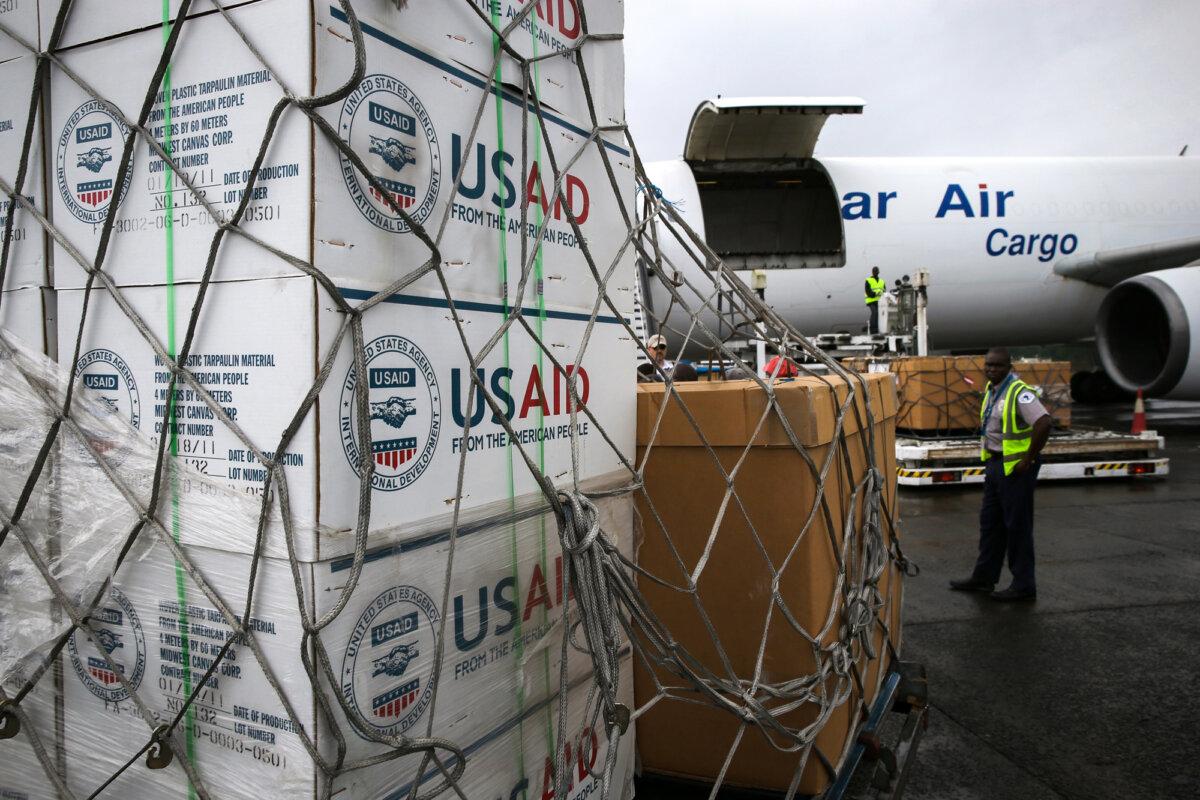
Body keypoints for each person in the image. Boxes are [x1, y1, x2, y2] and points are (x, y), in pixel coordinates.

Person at [950, 347, 1053, 601]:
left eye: (997, 366)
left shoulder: (1019, 393)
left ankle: (1024, 586)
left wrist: (1027, 459)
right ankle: (984, 577)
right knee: (990, 525)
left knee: (1017, 527)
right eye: (988, 365)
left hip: (1016, 470)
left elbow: (1043, 423)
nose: (991, 370)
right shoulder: (992, 391)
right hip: (995, 466)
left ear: (1009, 367)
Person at [865, 266, 885, 333]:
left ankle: (878, 328)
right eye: (874, 271)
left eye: (876, 271)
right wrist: (875, 294)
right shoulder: (868, 280)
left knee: (879, 314)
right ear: (872, 272)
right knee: (874, 312)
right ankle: (873, 329)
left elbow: (884, 290)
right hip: (871, 300)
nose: (875, 272)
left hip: (879, 301)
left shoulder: (882, 281)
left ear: (878, 272)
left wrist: (881, 294)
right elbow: (867, 291)